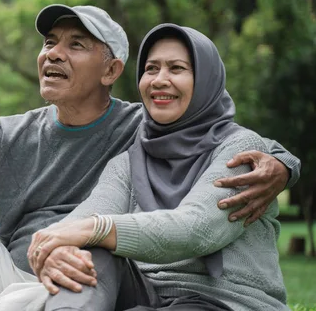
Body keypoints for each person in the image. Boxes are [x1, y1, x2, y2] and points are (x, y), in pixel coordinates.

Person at [0, 5, 299, 311]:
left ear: (112, 70)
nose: (53, 54)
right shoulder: (7, 135)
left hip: (84, 283)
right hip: (19, 276)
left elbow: (222, 138)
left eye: (75, 44)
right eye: (49, 42)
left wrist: (282, 165)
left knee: (93, 255)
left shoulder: (145, 128)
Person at [25, 23, 290, 310]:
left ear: (206, 80)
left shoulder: (241, 150)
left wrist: (94, 228)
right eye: (151, 69)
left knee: (91, 237)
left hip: (223, 301)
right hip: (146, 293)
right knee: (86, 255)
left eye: (176, 69)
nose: (159, 80)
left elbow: (196, 229)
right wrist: (54, 245)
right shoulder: (129, 161)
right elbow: (87, 215)